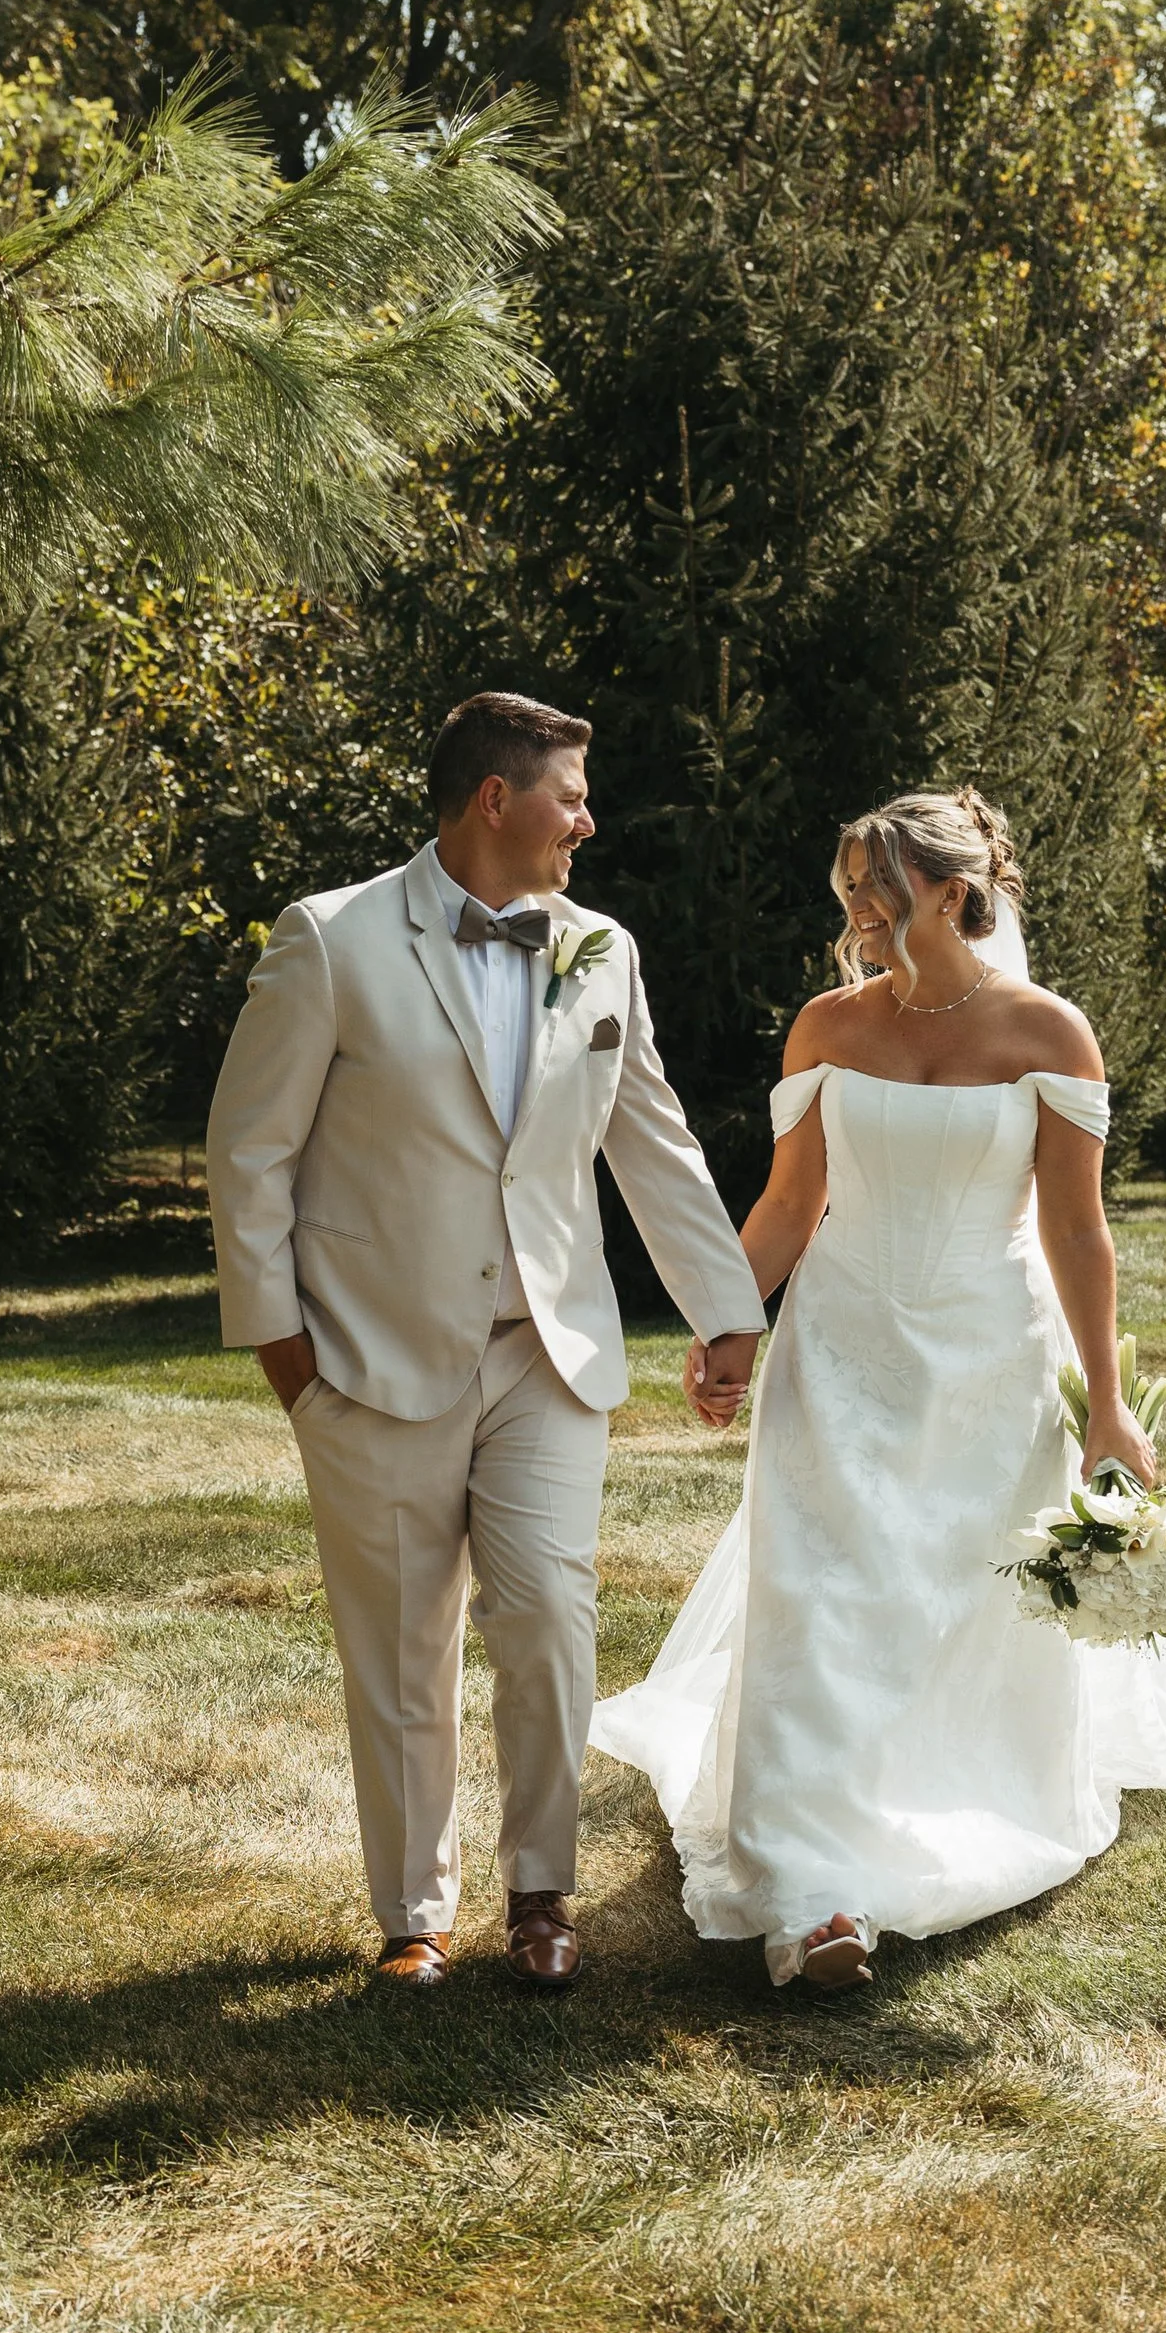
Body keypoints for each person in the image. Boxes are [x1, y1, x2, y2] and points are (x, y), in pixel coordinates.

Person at [589, 787, 1166, 1989]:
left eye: (876, 890)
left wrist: (1107, 1402)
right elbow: (792, 1201)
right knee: (817, 1594)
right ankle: (812, 1896)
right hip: (838, 1344)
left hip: (992, 1352)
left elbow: (1077, 1231)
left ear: (953, 894)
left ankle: (943, 1812)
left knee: (955, 1600)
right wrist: (726, 1323)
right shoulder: (826, 1027)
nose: (854, 913)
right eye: (847, 888)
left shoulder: (1047, 1035)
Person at [207, 693, 766, 1992]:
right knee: (400, 1644)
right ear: (493, 801)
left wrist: (727, 1306)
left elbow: (654, 1138)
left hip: (546, 1362)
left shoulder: (602, 949)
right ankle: (413, 1914)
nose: (588, 817)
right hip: (369, 1361)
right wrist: (287, 1359)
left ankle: (541, 1895)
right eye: (569, 793)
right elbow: (250, 1158)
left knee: (550, 1624)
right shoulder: (333, 941)